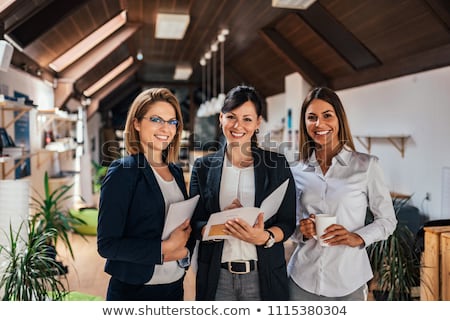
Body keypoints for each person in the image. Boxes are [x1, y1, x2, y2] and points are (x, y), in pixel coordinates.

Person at [287, 86, 397, 300]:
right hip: (302, 279)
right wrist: (302, 230)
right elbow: (289, 225)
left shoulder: (366, 166)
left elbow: (388, 220)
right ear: (305, 123)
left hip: (349, 281)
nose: (319, 124)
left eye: (327, 115)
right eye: (312, 117)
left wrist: (357, 237)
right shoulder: (296, 170)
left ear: (339, 119)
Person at [189, 85, 296, 300]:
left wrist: (264, 237)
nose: (238, 126)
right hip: (217, 275)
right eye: (231, 117)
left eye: (247, 119)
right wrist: (216, 225)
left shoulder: (276, 164)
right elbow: (194, 221)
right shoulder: (202, 167)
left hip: (262, 274)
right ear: (221, 118)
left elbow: (287, 222)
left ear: (258, 122)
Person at [97, 88, 192, 301]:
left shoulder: (175, 171)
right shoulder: (123, 171)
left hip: (175, 287)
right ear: (137, 123)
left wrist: (184, 254)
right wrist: (164, 249)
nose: (165, 128)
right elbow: (107, 245)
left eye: (172, 122)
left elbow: (182, 230)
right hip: (135, 292)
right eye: (156, 119)